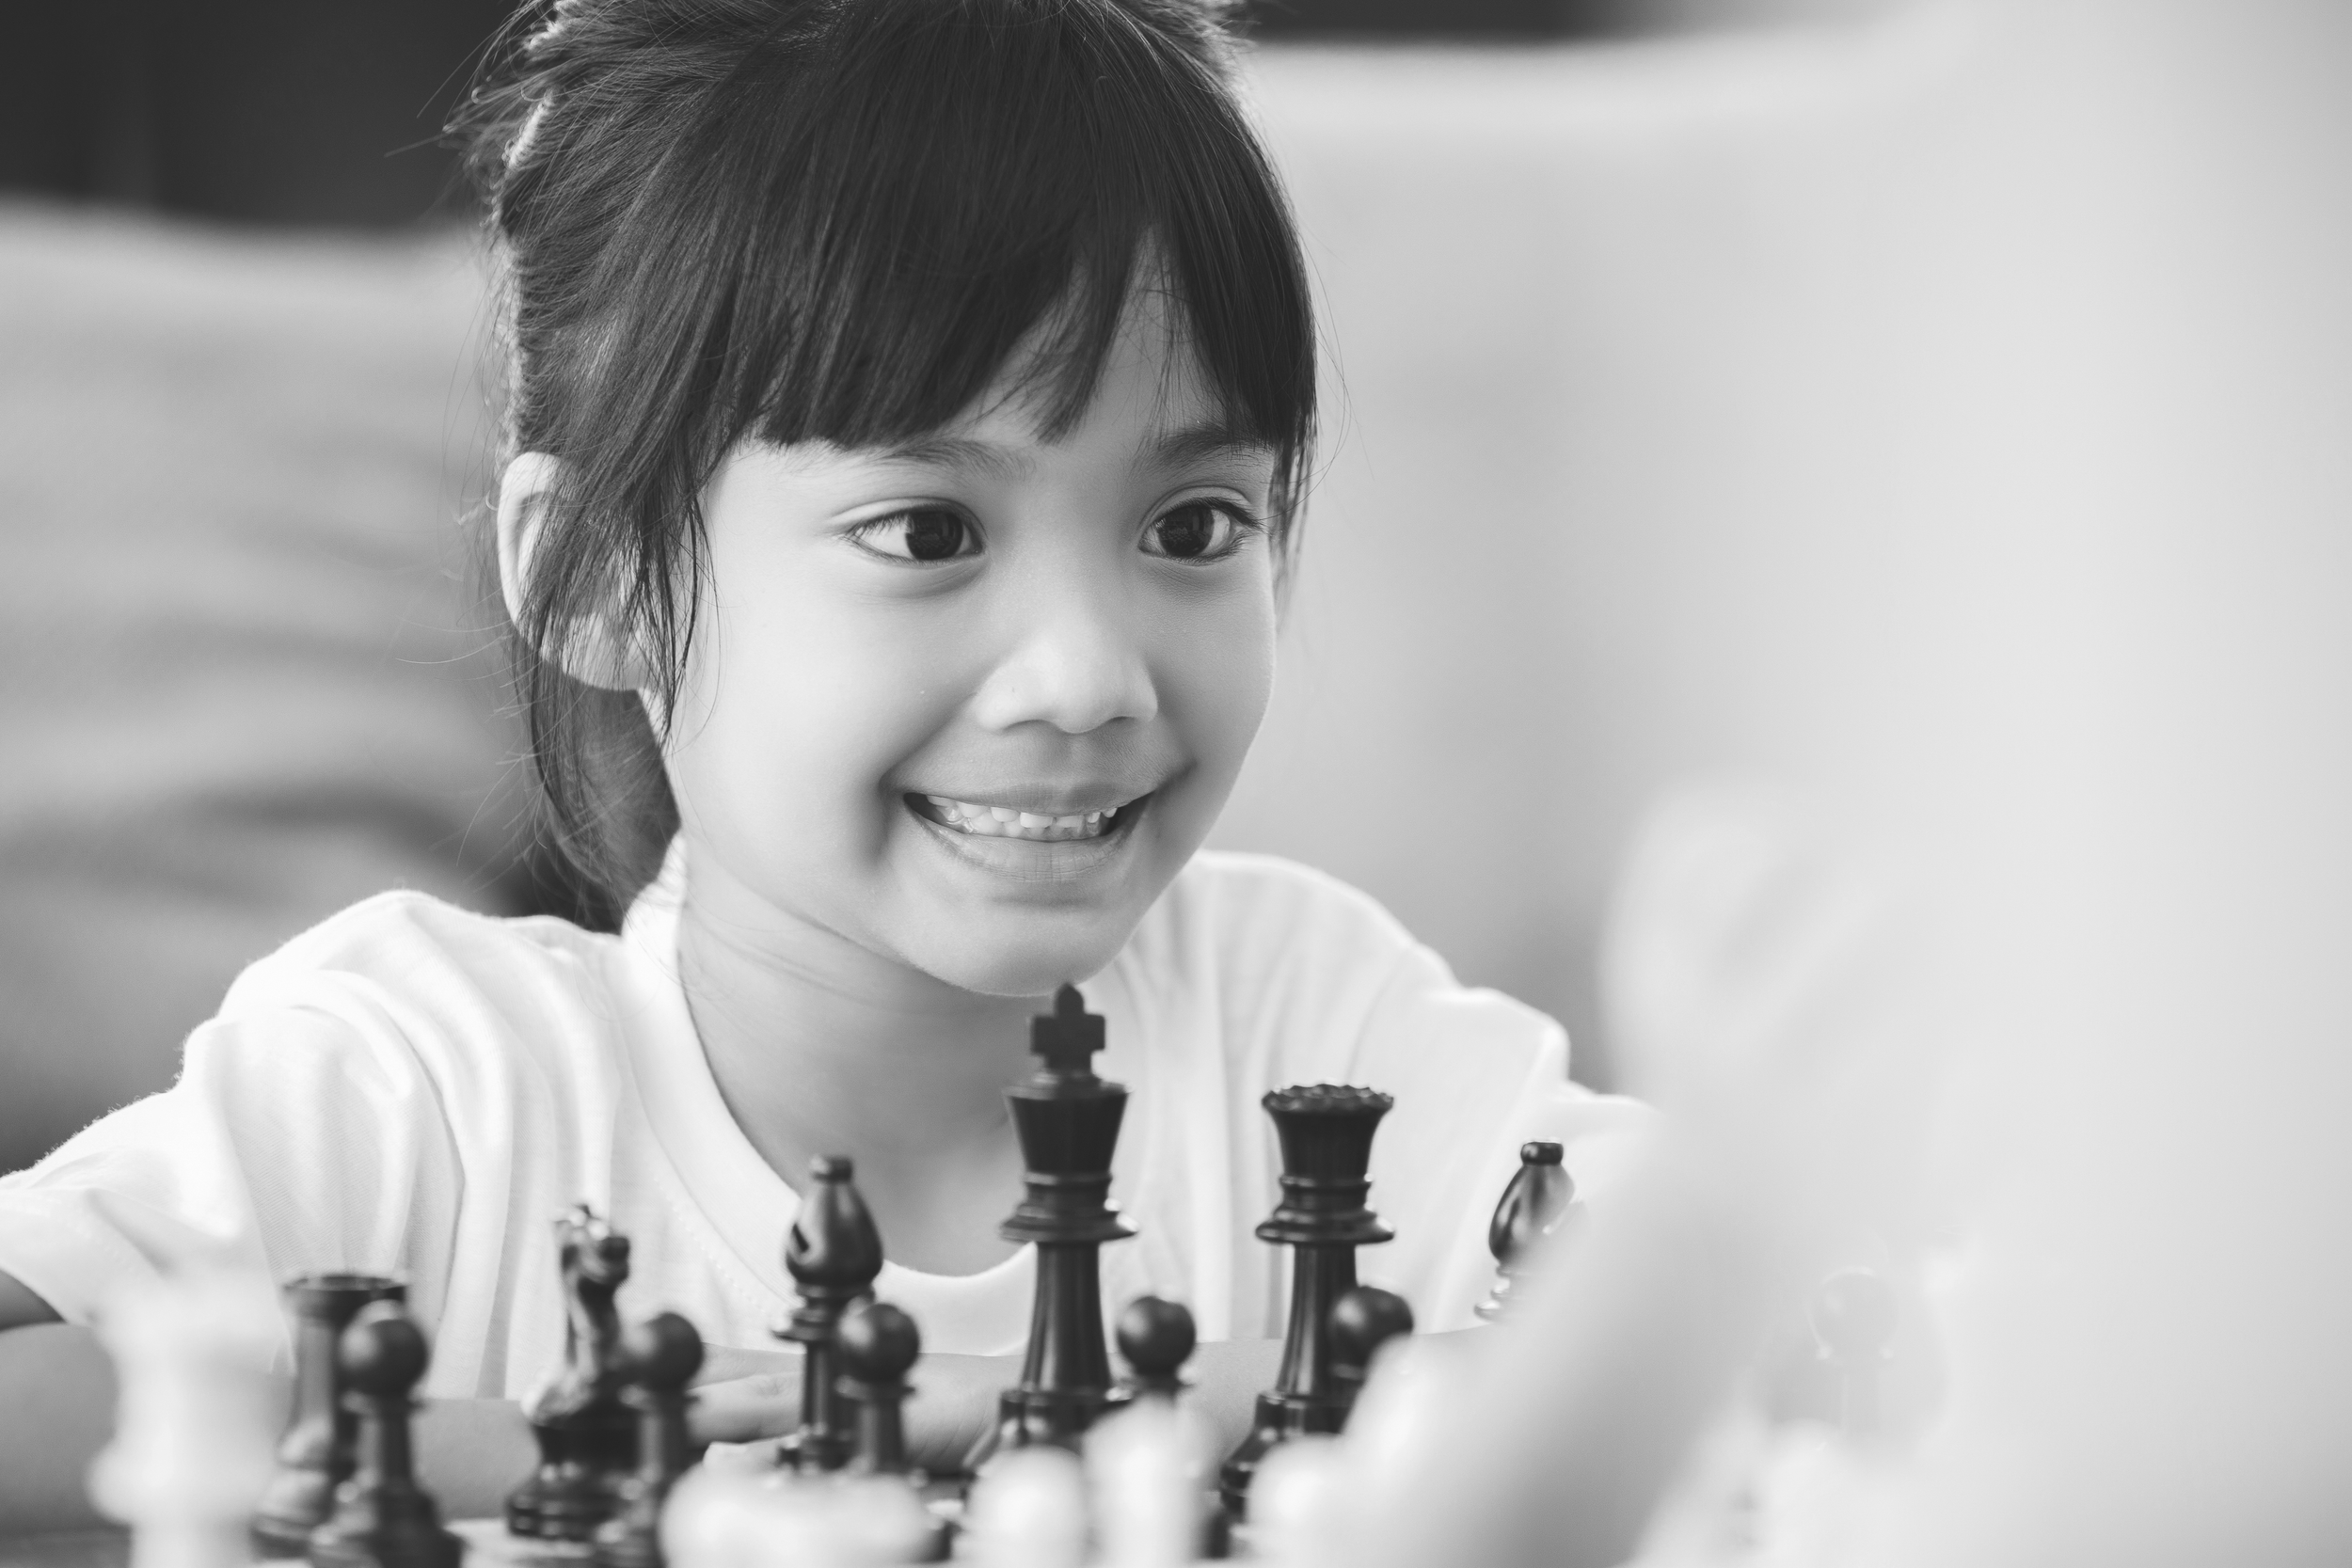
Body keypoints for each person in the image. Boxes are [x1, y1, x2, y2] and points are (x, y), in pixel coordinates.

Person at [0, 0, 1645, 1528]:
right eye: (927, 529)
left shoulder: (1322, 1023)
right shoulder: (422, 1090)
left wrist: (1082, 1405)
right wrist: (532, 1447)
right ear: (593, 582)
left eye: (1193, 523)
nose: (1088, 673)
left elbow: (1775, 1316)